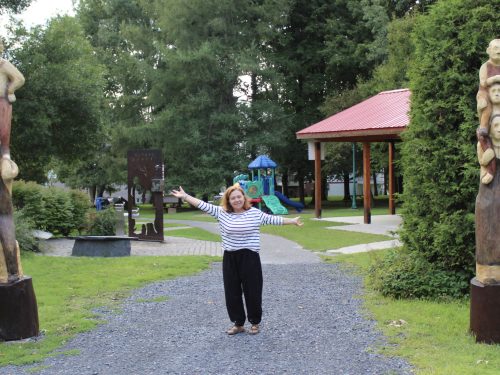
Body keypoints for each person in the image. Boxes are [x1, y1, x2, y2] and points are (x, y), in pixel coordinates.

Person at [170, 184, 303, 335]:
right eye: (233, 198)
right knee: (232, 291)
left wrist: (292, 221)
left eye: (239, 197)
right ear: (228, 200)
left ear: (244, 198)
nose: (237, 200)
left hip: (250, 257)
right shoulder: (221, 213)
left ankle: (254, 322)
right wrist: (185, 196)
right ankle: (238, 323)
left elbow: (273, 219)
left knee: (253, 290)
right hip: (230, 257)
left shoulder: (254, 213)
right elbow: (203, 205)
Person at [0, 39, 25, 160]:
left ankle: (5, 156)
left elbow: (19, 79)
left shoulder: (4, 65)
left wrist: (10, 90)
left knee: (3, 130)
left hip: (1, 102)